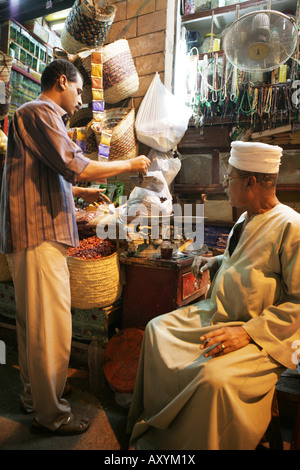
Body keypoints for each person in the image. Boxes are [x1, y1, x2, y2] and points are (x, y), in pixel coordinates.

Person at [0, 59, 150, 435]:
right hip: (39, 234)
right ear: (61, 82)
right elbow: (74, 164)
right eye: (78, 90)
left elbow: (51, 171)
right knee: (50, 325)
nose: (79, 98)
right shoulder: (39, 111)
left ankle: (37, 399)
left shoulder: (35, 118)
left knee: (34, 324)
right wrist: (131, 162)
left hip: (32, 235)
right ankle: (53, 415)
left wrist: (79, 190)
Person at [127, 140, 300, 450]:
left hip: (260, 337)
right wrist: (217, 261)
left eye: (229, 177)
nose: (224, 183)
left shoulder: (291, 226)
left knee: (212, 380)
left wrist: (247, 332)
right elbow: (246, 262)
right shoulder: (245, 219)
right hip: (218, 315)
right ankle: (159, 425)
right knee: (156, 331)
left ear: (251, 182)